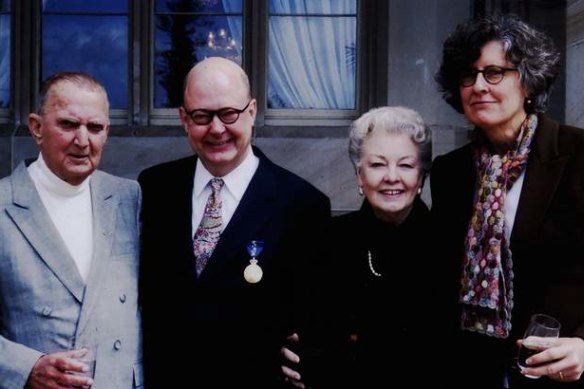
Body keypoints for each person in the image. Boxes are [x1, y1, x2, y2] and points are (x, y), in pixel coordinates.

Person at [138, 57, 330, 388]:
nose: (216, 129)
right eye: (201, 116)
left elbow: (317, 319)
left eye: (229, 114)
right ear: (184, 119)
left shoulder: (302, 204)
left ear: (252, 112)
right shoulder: (154, 189)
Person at [433, 13, 584, 388]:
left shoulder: (578, 154)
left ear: (529, 82)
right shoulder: (450, 171)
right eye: (468, 75)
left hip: (559, 372)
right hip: (473, 369)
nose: (479, 85)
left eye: (494, 72)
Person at [0, 72, 143, 388]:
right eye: (68, 125)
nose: (83, 140)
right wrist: (24, 368)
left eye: (95, 128)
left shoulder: (128, 197)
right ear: (36, 127)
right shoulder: (3, 204)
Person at [282, 106, 440, 387]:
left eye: (405, 165)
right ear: (359, 175)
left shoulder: (450, 244)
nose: (391, 176)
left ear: (421, 178)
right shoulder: (328, 240)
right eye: (377, 164)